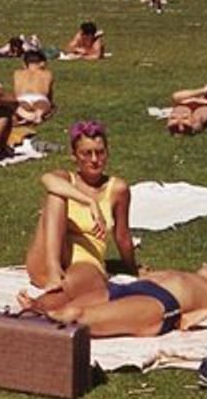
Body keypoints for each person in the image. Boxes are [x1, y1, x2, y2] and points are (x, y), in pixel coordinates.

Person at [0, 262, 207, 354]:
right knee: (79, 273)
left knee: (73, 317)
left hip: (158, 307)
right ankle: (7, 325)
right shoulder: (191, 277)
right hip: (126, 289)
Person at [24, 121, 136, 298]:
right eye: (86, 153)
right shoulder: (65, 179)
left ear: (107, 152)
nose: (94, 159)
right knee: (56, 195)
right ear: (74, 155)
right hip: (47, 261)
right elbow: (47, 179)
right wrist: (90, 202)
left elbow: (122, 237)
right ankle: (54, 270)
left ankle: (40, 306)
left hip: (85, 261)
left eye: (99, 152)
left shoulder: (117, 189)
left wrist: (132, 269)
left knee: (72, 290)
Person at [13, 50, 55, 126]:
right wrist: (51, 105)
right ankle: (38, 115)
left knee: (21, 106)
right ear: (42, 63)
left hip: (22, 98)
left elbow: (16, 92)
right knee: (42, 105)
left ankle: (24, 117)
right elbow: (48, 93)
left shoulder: (17, 73)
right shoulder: (47, 74)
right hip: (40, 97)